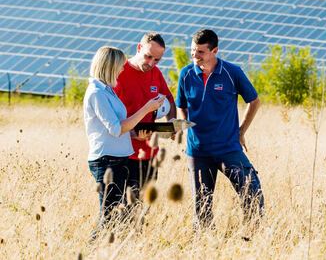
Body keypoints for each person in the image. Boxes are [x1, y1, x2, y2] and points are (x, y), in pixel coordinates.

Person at [176, 29, 263, 229]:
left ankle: (252, 236)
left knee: (252, 193)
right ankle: (204, 244)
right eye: (192, 51)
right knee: (202, 206)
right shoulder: (186, 74)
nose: (194, 56)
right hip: (198, 152)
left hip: (228, 148)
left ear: (214, 50)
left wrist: (241, 131)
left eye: (200, 52)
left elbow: (254, 101)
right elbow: (181, 104)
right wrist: (186, 127)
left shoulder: (232, 73)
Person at [84, 46, 164, 240]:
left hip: (117, 160)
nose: (122, 70)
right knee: (108, 216)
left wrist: (135, 134)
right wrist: (146, 108)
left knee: (116, 214)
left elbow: (118, 128)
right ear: (109, 66)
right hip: (107, 161)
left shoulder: (107, 91)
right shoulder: (97, 93)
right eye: (119, 66)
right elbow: (116, 128)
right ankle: (90, 250)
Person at [114, 33, 176, 202]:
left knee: (142, 208)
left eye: (157, 60)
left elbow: (169, 99)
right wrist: (131, 134)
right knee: (122, 209)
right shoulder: (119, 73)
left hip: (149, 154)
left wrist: (171, 122)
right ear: (139, 48)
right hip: (123, 154)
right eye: (148, 57)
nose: (151, 63)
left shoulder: (156, 73)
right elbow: (109, 118)